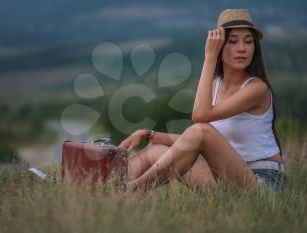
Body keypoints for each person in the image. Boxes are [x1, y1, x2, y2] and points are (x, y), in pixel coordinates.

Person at [118, 9, 285, 192]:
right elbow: (194, 138)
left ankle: (132, 191)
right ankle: (105, 183)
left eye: (248, 41)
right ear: (220, 46)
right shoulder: (216, 85)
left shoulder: (257, 88)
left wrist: (210, 57)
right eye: (233, 41)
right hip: (226, 176)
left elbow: (200, 116)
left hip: (261, 183)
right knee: (156, 150)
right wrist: (149, 134)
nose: (242, 48)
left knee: (202, 130)